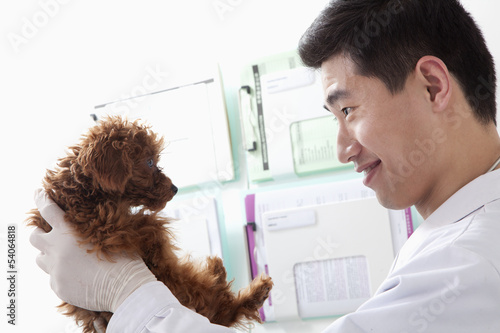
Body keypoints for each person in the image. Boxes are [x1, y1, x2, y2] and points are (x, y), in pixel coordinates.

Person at [30, 0, 500, 332]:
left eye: (349, 111)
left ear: (434, 87)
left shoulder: (469, 265)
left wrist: (125, 291)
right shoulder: (457, 234)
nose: (342, 148)